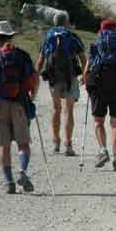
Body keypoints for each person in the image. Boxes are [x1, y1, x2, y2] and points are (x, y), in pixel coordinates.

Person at [0, 21, 40, 194]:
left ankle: (9, 182)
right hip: (19, 103)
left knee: (4, 144)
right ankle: (23, 172)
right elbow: (34, 78)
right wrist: (33, 95)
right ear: (11, 36)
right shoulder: (23, 55)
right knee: (23, 143)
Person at [83, 19, 116, 171]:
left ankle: (103, 150)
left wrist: (88, 84)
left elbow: (86, 73)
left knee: (99, 122)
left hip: (98, 88)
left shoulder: (95, 47)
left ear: (101, 31)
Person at [35, 12, 85, 156]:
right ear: (67, 22)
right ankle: (68, 145)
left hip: (53, 78)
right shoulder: (72, 36)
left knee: (56, 109)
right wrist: (85, 76)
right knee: (68, 110)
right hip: (70, 77)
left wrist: (35, 77)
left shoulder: (49, 37)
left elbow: (40, 61)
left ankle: (56, 143)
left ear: (54, 22)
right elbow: (83, 59)